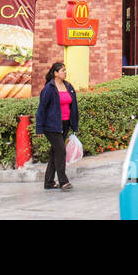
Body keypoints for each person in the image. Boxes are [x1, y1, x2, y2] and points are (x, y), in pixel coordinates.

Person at [35, 61, 79, 191]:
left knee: (55, 152)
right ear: (55, 73)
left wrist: (74, 125)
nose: (65, 72)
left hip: (64, 124)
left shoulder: (68, 86)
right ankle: (63, 181)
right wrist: (39, 127)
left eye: (65, 70)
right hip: (51, 126)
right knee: (60, 150)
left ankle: (48, 182)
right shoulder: (49, 89)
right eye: (62, 70)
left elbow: (74, 107)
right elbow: (41, 109)